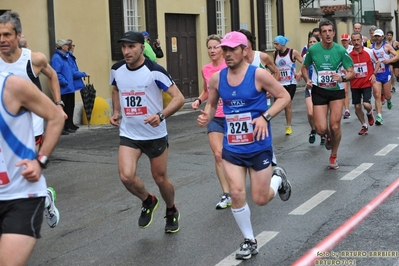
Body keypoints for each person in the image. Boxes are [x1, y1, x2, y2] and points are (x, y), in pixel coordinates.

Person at [197, 31, 292, 260]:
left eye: (232, 50)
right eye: (224, 50)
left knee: (260, 198)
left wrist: (265, 117)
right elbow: (211, 104)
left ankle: (278, 177)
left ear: (244, 50)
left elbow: (284, 97)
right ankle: (249, 240)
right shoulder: (217, 78)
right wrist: (206, 116)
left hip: (258, 146)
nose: (227, 54)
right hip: (233, 148)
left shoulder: (258, 75)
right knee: (237, 193)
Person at [110, 31, 185, 233]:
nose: (126, 51)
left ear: (142, 47)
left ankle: (171, 210)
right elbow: (116, 88)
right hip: (130, 133)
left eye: (131, 47)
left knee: (160, 178)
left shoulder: (155, 71)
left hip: (154, 134)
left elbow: (179, 98)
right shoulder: (116, 69)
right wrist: (116, 111)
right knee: (126, 176)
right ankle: (148, 200)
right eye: (124, 47)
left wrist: (160, 115)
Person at [0, 11, 63, 228]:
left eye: (7, 34)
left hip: (32, 125)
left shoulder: (34, 59)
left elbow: (53, 76)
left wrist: (58, 104)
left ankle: (41, 198)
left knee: (23, 173)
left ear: (18, 35)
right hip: (5, 127)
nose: (1, 40)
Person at [0, 72, 64, 266]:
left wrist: (40, 161)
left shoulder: (13, 85)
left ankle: (45, 198)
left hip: (20, 195)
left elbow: (56, 116)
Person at [302, 19, 355, 169]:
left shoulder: (340, 50)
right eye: (324, 31)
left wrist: (343, 78)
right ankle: (327, 136)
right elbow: (304, 67)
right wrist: (307, 79)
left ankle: (333, 156)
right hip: (319, 90)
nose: (327, 34)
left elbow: (352, 72)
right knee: (320, 128)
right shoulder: (312, 50)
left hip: (336, 91)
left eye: (330, 31)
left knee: (335, 126)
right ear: (320, 34)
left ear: (334, 32)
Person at [191, 34, 231, 209]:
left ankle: (239, 184)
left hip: (233, 116)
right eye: (209, 47)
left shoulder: (229, 66)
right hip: (214, 116)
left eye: (216, 47)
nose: (212, 50)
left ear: (222, 49)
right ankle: (227, 194)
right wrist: (199, 100)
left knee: (237, 154)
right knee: (218, 154)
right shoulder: (206, 69)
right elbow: (207, 91)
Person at [348, 32, 380, 135]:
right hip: (354, 84)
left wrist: (374, 74)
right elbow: (345, 68)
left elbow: (378, 62)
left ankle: (369, 113)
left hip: (366, 83)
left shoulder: (369, 52)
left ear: (362, 40)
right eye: (354, 40)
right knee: (357, 107)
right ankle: (364, 125)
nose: (356, 42)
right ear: (351, 41)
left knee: (366, 104)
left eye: (358, 40)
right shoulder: (348, 55)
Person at [273, 35, 302, 135]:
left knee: (288, 104)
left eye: (276, 44)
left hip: (291, 82)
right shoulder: (274, 54)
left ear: (282, 44)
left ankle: (288, 126)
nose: (274, 46)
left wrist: (299, 73)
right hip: (280, 83)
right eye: (274, 44)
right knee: (279, 105)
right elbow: (274, 69)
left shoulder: (292, 52)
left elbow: (304, 62)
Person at [371, 29, 399, 125]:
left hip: (386, 74)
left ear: (383, 37)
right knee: (377, 95)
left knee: (387, 95)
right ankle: (379, 116)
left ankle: (389, 100)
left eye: (379, 36)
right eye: (376, 36)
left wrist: (389, 61)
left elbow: (397, 56)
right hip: (377, 75)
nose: (377, 38)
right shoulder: (372, 47)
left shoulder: (386, 46)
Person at [302, 34, 326, 145]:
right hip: (310, 87)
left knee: (322, 113)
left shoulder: (324, 54)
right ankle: (313, 129)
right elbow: (304, 69)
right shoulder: (306, 56)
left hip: (322, 87)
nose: (311, 44)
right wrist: (307, 80)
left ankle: (323, 133)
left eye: (314, 42)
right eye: (310, 42)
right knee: (311, 113)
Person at [50, 39, 76, 134]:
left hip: (69, 87)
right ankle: (63, 127)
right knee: (63, 109)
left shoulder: (65, 57)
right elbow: (56, 73)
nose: (67, 46)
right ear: (61, 46)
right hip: (63, 88)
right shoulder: (57, 58)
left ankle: (68, 125)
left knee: (69, 107)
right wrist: (64, 82)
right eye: (66, 45)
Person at [66, 39, 90, 131]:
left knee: (71, 105)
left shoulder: (70, 57)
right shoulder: (68, 57)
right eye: (73, 45)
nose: (74, 47)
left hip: (70, 84)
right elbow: (73, 72)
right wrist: (83, 74)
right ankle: (68, 124)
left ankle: (71, 123)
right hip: (68, 84)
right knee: (68, 106)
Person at [340, 33, 354, 119]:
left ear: (349, 40)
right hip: (343, 72)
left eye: (346, 40)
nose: (344, 42)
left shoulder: (352, 49)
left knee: (355, 89)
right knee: (345, 91)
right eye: (343, 41)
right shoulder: (339, 49)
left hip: (352, 71)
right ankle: (347, 110)